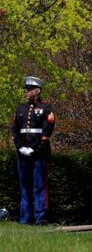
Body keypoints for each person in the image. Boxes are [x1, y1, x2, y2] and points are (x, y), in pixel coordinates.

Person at [11, 76, 55, 225]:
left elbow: (46, 133)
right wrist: (20, 147)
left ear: (37, 91)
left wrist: (33, 150)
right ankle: (24, 219)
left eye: (29, 89)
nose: (26, 91)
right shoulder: (20, 109)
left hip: (39, 154)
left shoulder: (46, 109)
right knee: (25, 187)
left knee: (40, 187)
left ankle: (40, 219)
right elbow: (15, 131)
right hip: (22, 154)